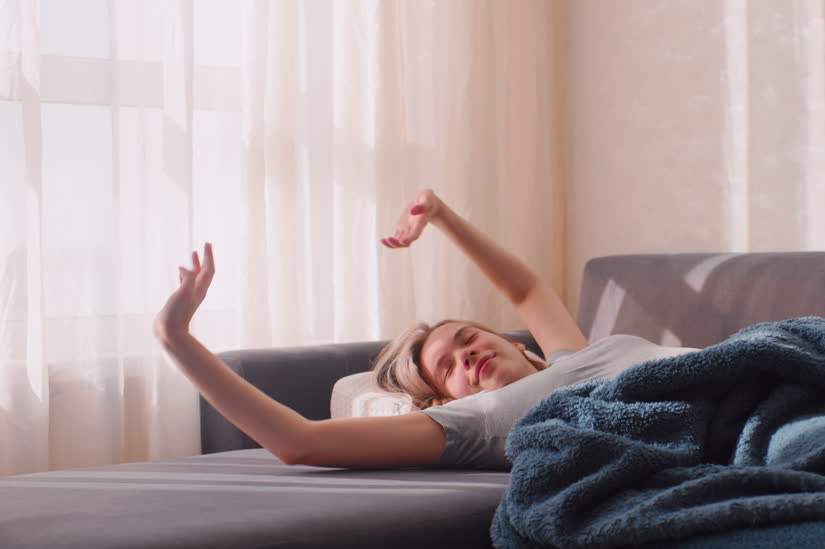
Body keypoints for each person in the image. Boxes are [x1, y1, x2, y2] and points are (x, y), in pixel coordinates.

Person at [155, 189, 694, 469]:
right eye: (447, 368)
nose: (466, 356)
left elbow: (525, 290)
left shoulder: (572, 359)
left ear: (515, 344)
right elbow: (300, 442)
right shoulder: (478, 421)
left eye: (468, 339)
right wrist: (177, 339)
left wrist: (441, 216)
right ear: (446, 401)